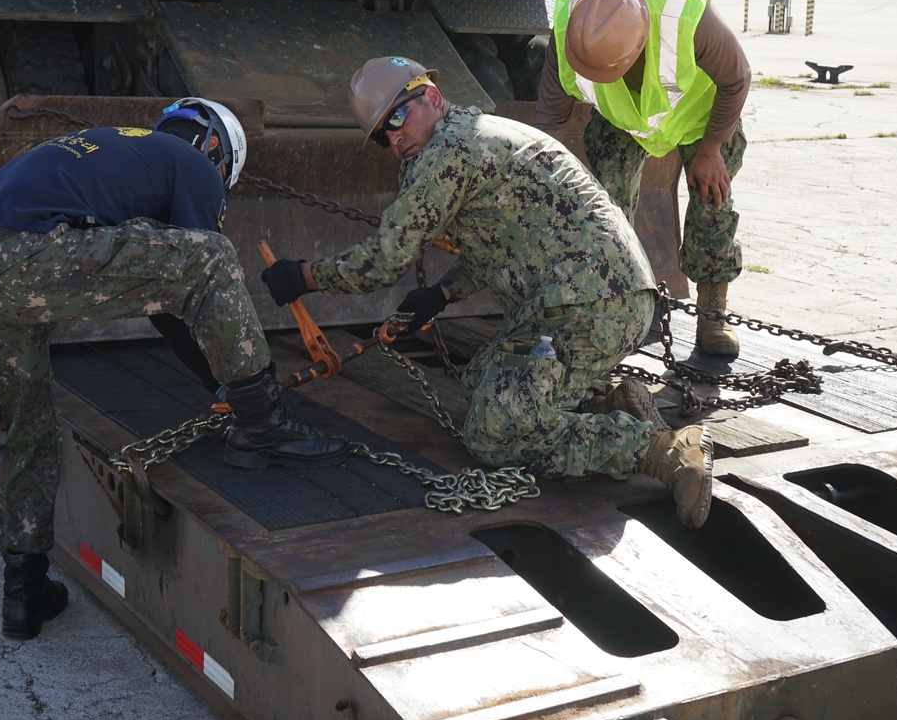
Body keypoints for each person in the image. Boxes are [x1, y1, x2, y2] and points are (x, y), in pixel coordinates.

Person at [0, 99, 345, 642]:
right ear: (217, 149)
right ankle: (263, 426)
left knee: (26, 429)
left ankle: (24, 592)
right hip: (28, 258)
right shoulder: (193, 163)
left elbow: (163, 296)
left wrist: (215, 382)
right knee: (215, 255)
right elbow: (195, 278)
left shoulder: (118, 148)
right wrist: (232, 386)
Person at [264, 56, 712, 528]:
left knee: (495, 434)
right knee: (481, 380)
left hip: (586, 305)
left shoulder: (448, 152)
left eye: (397, 117)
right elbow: (501, 240)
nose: (394, 138)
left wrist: (306, 276)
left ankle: (661, 452)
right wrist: (442, 293)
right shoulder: (477, 132)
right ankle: (606, 404)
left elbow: (385, 259)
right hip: (596, 298)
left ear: (432, 97)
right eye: (381, 135)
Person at [535, 0, 751, 355]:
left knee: (712, 202)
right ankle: (619, 303)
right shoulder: (572, 28)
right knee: (604, 210)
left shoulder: (685, 16)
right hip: (622, 121)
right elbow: (549, 121)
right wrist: (536, 184)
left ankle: (712, 313)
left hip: (702, 117)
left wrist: (711, 151)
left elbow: (736, 78)